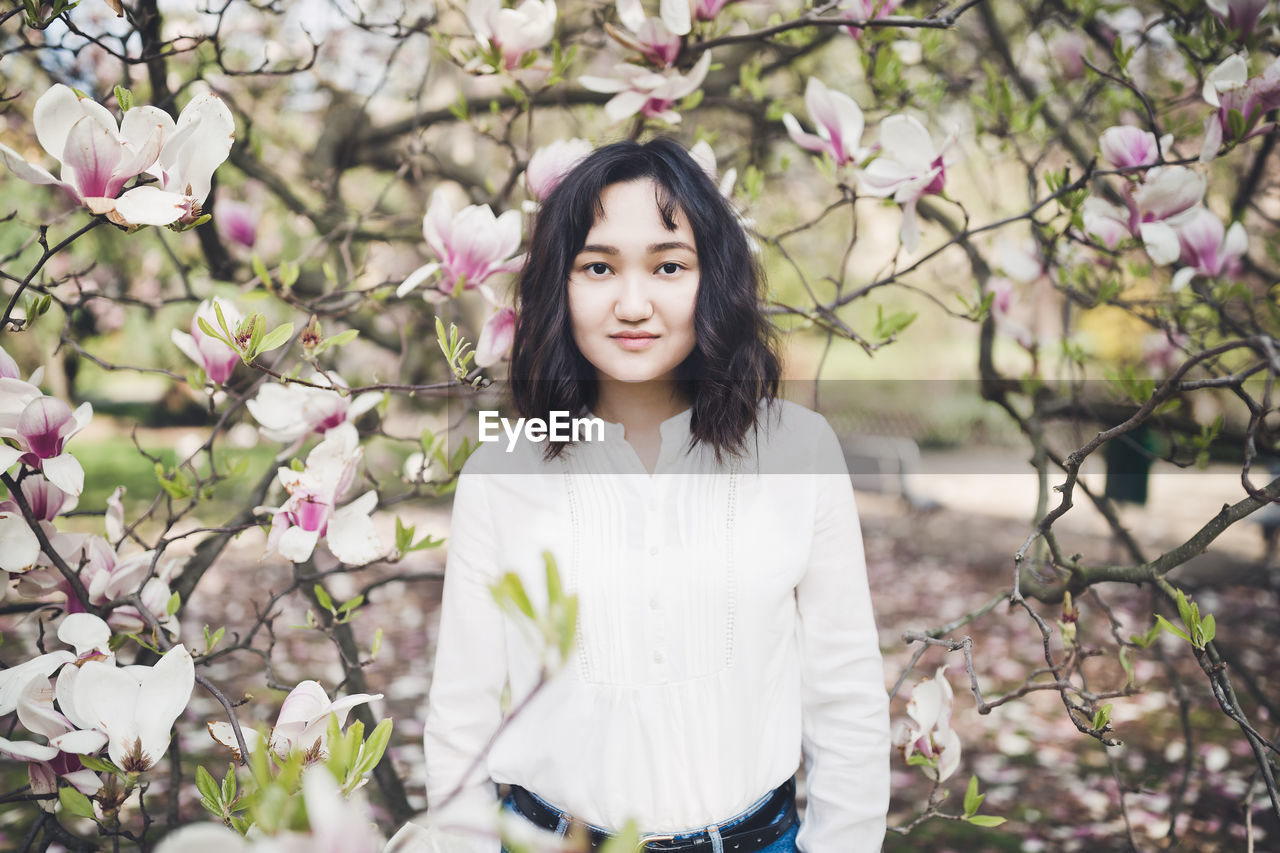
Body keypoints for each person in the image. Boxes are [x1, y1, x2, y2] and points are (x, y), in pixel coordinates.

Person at [420, 137, 890, 852]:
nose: (632, 302)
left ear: (713, 280)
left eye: (668, 265)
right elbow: (462, 722)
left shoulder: (799, 449)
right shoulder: (499, 472)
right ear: (558, 286)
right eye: (598, 266)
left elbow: (848, 699)